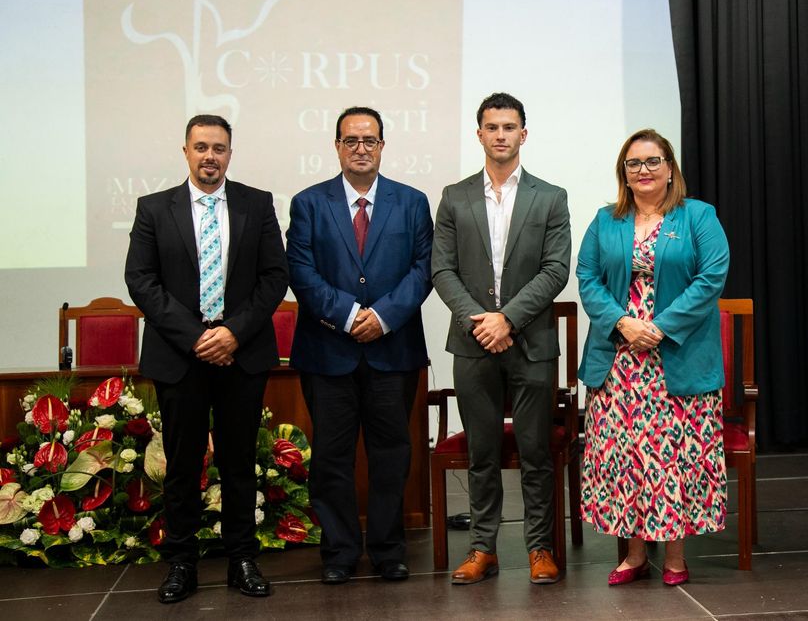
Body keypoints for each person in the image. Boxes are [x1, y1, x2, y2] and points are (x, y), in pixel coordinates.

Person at [125, 114, 288, 603]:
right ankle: (181, 563)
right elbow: (141, 281)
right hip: (180, 357)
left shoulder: (256, 204)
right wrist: (198, 337)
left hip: (241, 355)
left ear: (230, 154)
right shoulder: (154, 208)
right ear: (186, 152)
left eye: (219, 148)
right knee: (182, 465)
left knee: (239, 463)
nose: (210, 156)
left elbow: (274, 277)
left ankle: (242, 559)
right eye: (201, 147)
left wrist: (232, 333)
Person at [286, 106, 433, 584]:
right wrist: (350, 316)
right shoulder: (309, 203)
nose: (361, 148)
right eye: (351, 140)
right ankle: (340, 552)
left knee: (392, 454)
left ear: (383, 146)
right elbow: (302, 275)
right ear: (336, 146)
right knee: (331, 455)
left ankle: (390, 549)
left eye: (369, 140)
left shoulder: (412, 202)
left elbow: (422, 269)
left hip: (394, 351)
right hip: (328, 352)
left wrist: (384, 317)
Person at [576, 129, 730, 586]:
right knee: (629, 457)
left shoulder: (698, 215)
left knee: (674, 457)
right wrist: (624, 323)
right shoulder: (606, 220)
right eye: (633, 163)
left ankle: (678, 556)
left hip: (676, 354)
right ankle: (636, 555)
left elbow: (712, 276)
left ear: (669, 167)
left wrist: (660, 327)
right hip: (620, 357)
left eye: (651, 161)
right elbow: (588, 278)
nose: (642, 171)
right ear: (623, 172)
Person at [431, 92, 571, 585]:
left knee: (535, 452)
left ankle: (539, 549)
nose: (500, 135)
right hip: (472, 345)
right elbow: (441, 269)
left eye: (509, 127)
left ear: (523, 134)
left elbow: (556, 270)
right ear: (479, 135)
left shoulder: (550, 196)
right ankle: (482, 549)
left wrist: (507, 319)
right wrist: (480, 320)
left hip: (531, 344)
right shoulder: (454, 196)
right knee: (483, 453)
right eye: (491, 127)